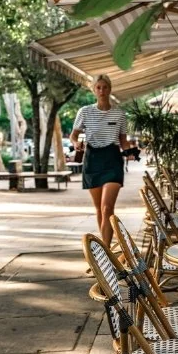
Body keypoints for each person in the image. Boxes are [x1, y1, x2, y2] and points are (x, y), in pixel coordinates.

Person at [70, 75, 129, 244]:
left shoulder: (119, 114)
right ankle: (105, 246)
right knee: (99, 209)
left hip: (113, 160)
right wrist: (76, 144)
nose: (102, 91)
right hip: (92, 159)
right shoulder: (85, 111)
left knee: (107, 207)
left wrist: (131, 152)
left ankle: (108, 252)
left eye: (105, 87)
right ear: (94, 90)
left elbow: (123, 141)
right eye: (98, 87)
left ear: (110, 89)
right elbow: (73, 135)